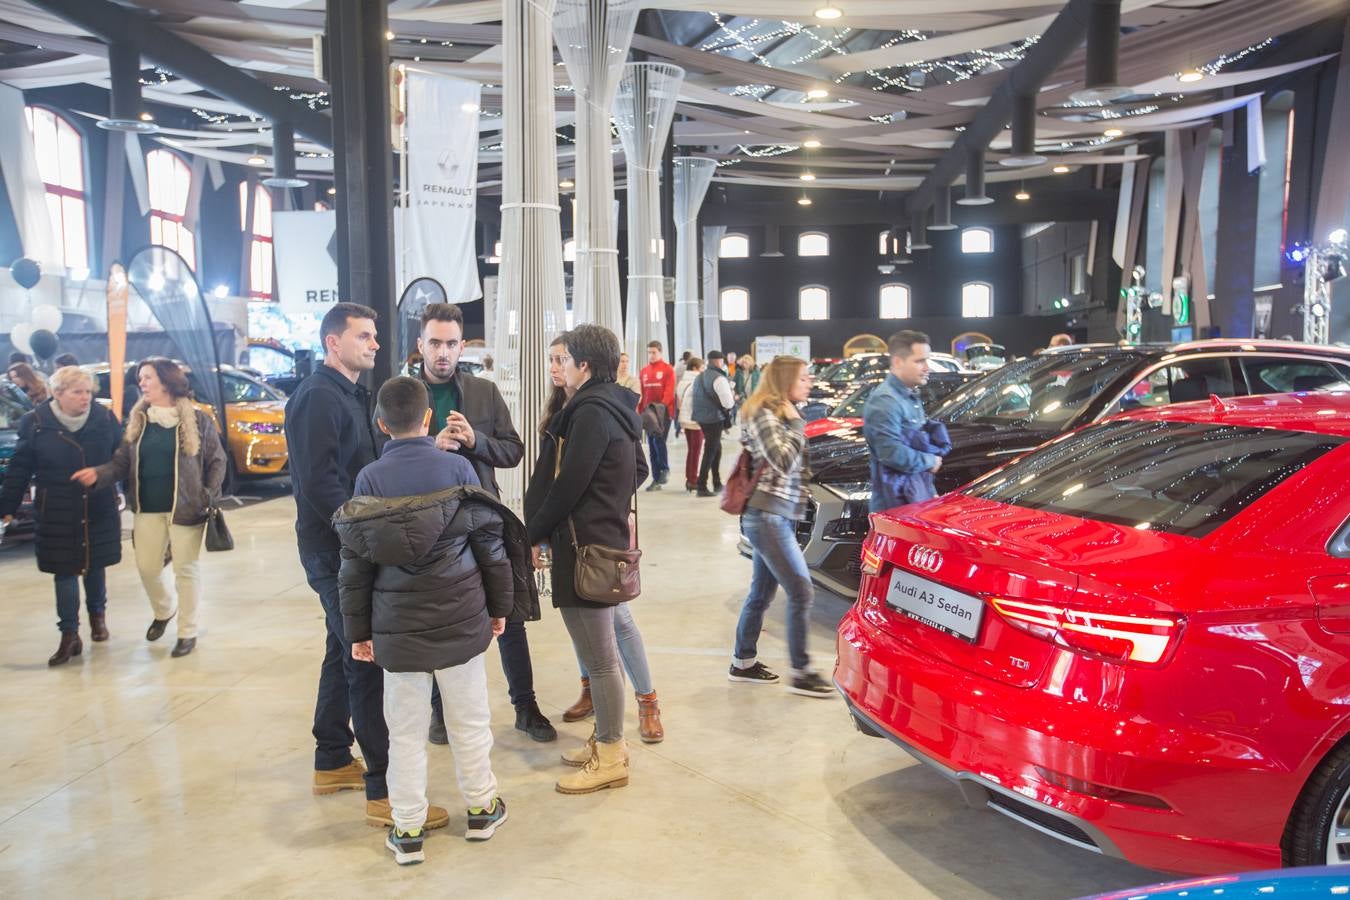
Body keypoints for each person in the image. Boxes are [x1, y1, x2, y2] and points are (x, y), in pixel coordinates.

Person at [334, 376, 525, 865]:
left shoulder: (369, 480)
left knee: (404, 731)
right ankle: (482, 809)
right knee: (469, 720)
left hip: (395, 629)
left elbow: (355, 566)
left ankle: (408, 828)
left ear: (381, 424)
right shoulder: (459, 467)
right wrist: (500, 608)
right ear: (428, 420)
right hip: (462, 618)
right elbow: (491, 548)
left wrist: (357, 632)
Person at [285, 303, 422, 830]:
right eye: (363, 336)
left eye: (374, 335)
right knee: (364, 656)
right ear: (331, 342)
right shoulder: (319, 397)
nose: (373, 344)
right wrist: (362, 536)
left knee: (339, 648)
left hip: (343, 543)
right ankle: (382, 791)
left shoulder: (346, 394)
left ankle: (332, 757)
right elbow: (320, 483)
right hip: (334, 548)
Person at [416, 303, 553, 744]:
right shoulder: (401, 393)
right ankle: (440, 713)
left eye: (451, 343)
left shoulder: (483, 392)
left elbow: (512, 451)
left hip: (482, 520)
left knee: (509, 614)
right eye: (435, 342)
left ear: (461, 346)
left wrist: (476, 441)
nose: (443, 352)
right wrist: (429, 449)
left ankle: (526, 706)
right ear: (421, 344)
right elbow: (381, 456)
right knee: (439, 621)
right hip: (429, 527)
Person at [525, 324, 648, 793]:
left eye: (564, 358)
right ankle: (606, 740)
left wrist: (533, 532)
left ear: (585, 366)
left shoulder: (591, 413)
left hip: (585, 548)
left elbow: (567, 485)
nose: (558, 366)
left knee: (600, 660)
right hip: (593, 542)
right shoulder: (608, 408)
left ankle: (613, 753)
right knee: (600, 655)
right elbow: (635, 469)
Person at [74, 357, 226, 659]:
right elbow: (121, 463)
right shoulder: (139, 421)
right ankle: (164, 609)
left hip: (187, 509)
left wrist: (208, 495)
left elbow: (216, 461)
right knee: (147, 568)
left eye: (147, 377)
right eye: (140, 378)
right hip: (146, 508)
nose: (141, 383)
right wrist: (99, 474)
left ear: (166, 382)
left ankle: (187, 632)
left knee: (186, 569)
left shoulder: (198, 420)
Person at [0, 366, 122, 666]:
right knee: (64, 571)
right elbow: (20, 468)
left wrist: (103, 475)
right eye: (77, 392)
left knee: (95, 565)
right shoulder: (36, 422)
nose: (85, 398)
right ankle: (69, 634)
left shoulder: (105, 418)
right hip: (56, 507)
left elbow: (123, 459)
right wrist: (6, 508)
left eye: (88, 392)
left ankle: (98, 617)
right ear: (58, 394)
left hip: (97, 506)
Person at [727, 356, 832, 697]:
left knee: (761, 593)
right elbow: (783, 459)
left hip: (777, 516)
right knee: (801, 590)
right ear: (785, 380)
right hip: (767, 517)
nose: (810, 382)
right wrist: (797, 423)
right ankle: (801, 671)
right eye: (803, 377)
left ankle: (742, 663)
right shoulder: (764, 414)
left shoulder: (781, 414)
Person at [862, 330, 944, 515]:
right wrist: (930, 461)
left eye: (927, 360)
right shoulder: (885, 401)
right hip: (894, 507)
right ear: (898, 362)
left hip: (913, 499)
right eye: (919, 361)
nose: (927, 367)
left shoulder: (909, 397)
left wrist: (930, 493)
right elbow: (890, 452)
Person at [691, 350, 736, 498]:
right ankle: (702, 486)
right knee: (711, 450)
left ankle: (717, 483)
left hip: (701, 417)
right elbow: (728, 403)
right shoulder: (719, 378)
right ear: (718, 362)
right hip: (714, 419)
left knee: (716, 447)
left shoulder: (699, 377)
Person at [638, 340, 676, 491]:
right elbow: (641, 392)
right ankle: (656, 478)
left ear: (660, 352)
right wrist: (640, 411)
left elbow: (669, 392)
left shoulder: (667, 370)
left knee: (658, 441)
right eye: (649, 352)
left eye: (654, 352)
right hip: (648, 414)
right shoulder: (644, 371)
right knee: (651, 446)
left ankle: (665, 469)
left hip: (662, 413)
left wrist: (661, 408)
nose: (651, 355)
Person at [675, 356, 704, 494]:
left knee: (691, 451)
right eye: (701, 367)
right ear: (695, 368)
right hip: (695, 420)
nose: (703, 370)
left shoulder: (682, 382)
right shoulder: (697, 381)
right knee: (696, 451)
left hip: (685, 419)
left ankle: (690, 478)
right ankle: (693, 480)